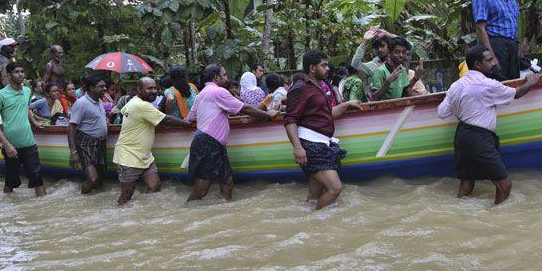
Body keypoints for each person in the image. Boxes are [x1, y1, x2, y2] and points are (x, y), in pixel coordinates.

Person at [437, 45, 541, 204]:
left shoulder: (455, 86)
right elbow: (516, 94)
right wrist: (531, 82)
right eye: (489, 60)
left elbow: (442, 112)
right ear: (478, 64)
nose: (495, 63)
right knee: (504, 184)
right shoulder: (488, 84)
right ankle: (497, 219)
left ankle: (461, 215)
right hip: (479, 138)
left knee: (467, 182)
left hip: (461, 136)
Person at [186, 64, 278, 202]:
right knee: (202, 189)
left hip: (211, 143)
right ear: (216, 77)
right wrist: (268, 115)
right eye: (225, 75)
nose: (227, 77)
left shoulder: (201, 94)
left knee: (227, 183)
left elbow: (190, 118)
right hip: (208, 143)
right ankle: (188, 213)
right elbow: (245, 108)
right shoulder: (219, 92)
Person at [284, 50, 362, 210]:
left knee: (314, 195)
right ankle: (316, 221)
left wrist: (346, 105)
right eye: (324, 65)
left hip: (321, 144)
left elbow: (328, 114)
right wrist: (297, 147)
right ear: (312, 68)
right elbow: (290, 119)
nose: (328, 68)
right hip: (311, 145)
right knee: (334, 189)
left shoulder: (319, 87)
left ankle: (307, 225)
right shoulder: (300, 88)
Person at [113, 77, 191, 205]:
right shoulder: (141, 105)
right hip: (129, 156)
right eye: (149, 88)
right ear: (139, 89)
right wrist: (187, 124)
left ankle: (143, 212)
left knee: (155, 186)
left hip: (145, 155)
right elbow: (167, 120)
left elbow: (123, 112)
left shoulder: (133, 101)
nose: (154, 91)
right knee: (126, 195)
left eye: (155, 88)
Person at [0, 62, 47, 196]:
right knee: (11, 180)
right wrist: (6, 145)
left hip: (29, 142)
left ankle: (43, 211)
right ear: (9, 75)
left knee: (37, 177)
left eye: (22, 71)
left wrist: (34, 123)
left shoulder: (27, 91)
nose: (20, 74)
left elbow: (25, 107)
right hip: (11, 145)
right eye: (16, 72)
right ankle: (7, 209)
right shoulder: (0, 95)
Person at [473, 0, 521, 81]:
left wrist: (519, 48)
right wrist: (492, 57)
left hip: (511, 46)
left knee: (513, 84)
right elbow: (481, 28)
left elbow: (515, 22)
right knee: (499, 84)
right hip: (495, 45)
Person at [68, 75, 108, 194]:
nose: (104, 89)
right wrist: (73, 152)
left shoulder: (99, 101)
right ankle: (81, 198)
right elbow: (71, 127)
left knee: (100, 180)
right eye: (101, 86)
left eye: (105, 86)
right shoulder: (81, 103)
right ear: (91, 88)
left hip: (100, 142)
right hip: (85, 143)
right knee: (93, 179)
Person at [370, 37, 410, 101]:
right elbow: (374, 98)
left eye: (403, 52)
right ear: (389, 53)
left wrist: (416, 77)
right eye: (397, 52)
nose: (401, 55)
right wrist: (388, 82)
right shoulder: (380, 71)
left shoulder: (402, 70)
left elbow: (406, 93)